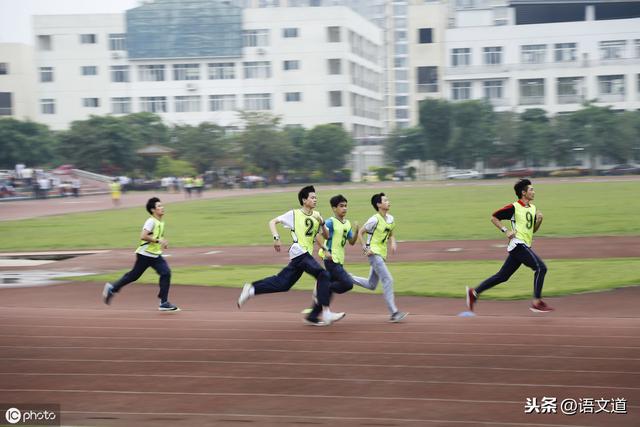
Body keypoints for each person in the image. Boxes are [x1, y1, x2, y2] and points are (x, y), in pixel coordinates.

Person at [236, 185, 345, 326]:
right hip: (299, 251)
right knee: (323, 274)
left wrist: (322, 223)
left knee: (283, 283)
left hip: (303, 255)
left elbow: (326, 235)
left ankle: (251, 289)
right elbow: (272, 222)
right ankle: (326, 312)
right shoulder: (294, 214)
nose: (315, 199)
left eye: (316, 197)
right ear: (304, 200)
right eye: (312, 197)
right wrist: (276, 237)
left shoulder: (316, 215)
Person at [466, 179, 552, 313]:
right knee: (541, 268)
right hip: (518, 244)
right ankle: (536, 302)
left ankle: (474, 292)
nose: (534, 192)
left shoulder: (533, 208)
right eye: (531, 190)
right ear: (523, 193)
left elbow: (532, 231)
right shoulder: (514, 207)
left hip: (524, 246)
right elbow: (494, 217)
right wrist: (506, 231)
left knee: (502, 276)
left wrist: (539, 221)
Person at [102, 197, 179, 311]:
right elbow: (143, 236)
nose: (162, 208)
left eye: (162, 205)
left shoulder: (160, 222)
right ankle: (112, 288)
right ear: (153, 210)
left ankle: (164, 302)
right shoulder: (151, 221)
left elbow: (156, 236)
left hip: (155, 254)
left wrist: (163, 241)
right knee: (133, 276)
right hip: (145, 255)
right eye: (159, 206)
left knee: (166, 273)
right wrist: (159, 241)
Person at [303, 194, 370, 324]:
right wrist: (325, 249)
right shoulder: (330, 222)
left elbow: (351, 241)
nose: (344, 208)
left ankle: (312, 315)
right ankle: (322, 288)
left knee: (332, 288)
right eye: (341, 206)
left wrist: (356, 231)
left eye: (345, 206)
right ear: (334, 208)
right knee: (347, 283)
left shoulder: (347, 223)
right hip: (331, 260)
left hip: (339, 260)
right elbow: (317, 234)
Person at [357, 193, 408, 323]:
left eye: (388, 200)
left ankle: (346, 277)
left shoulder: (390, 218)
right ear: (378, 204)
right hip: (373, 254)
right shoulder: (374, 220)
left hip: (382, 254)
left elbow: (390, 232)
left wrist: (393, 242)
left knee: (371, 284)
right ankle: (394, 313)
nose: (388, 202)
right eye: (385, 200)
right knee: (388, 280)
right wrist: (365, 248)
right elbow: (360, 233)